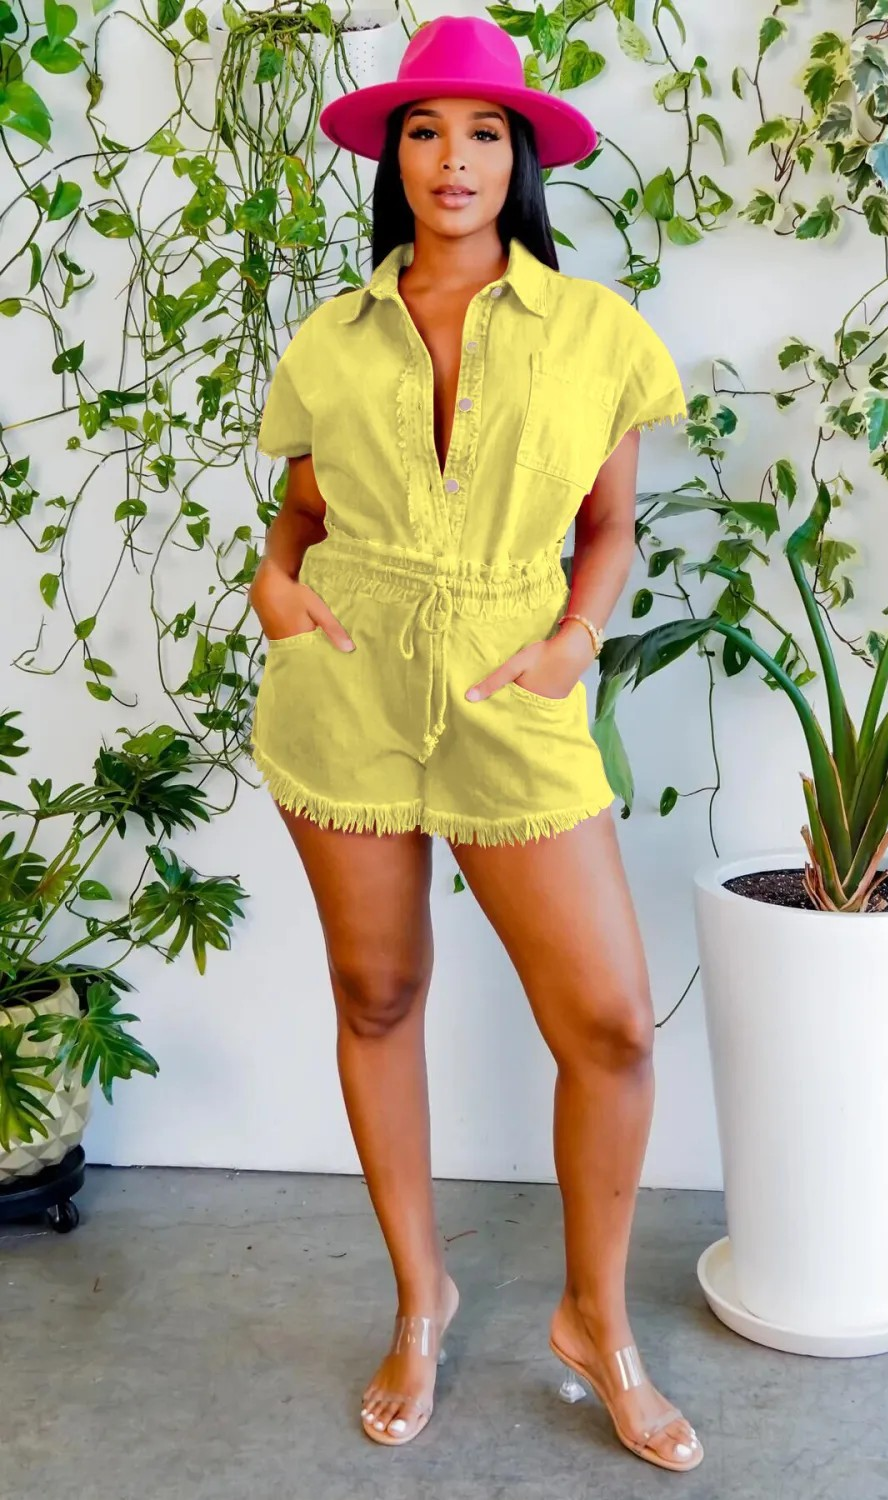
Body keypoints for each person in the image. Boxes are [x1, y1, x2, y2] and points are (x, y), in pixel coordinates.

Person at [247, 12, 702, 1475]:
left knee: (612, 1027)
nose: (454, 158)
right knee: (377, 993)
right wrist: (274, 587)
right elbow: (301, 517)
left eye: (484, 132)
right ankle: (420, 1297)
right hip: (351, 682)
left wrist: (575, 641)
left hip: (515, 684)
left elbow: (610, 526)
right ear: (394, 156)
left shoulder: (597, 333)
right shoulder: (332, 335)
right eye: (426, 131)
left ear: (521, 159)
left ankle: (594, 1319)